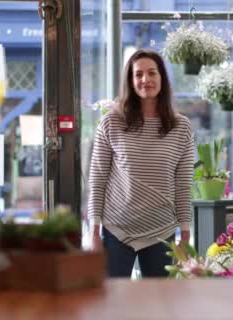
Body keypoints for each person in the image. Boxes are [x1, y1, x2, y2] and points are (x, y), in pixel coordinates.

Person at [87, 49, 194, 278]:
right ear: (131, 81)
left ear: (162, 78)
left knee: (159, 307)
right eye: (138, 75)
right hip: (116, 230)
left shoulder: (181, 127)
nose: (145, 80)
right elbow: (97, 179)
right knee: (112, 305)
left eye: (152, 73)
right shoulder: (111, 122)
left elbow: (183, 184)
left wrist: (185, 234)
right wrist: (94, 230)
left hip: (161, 231)